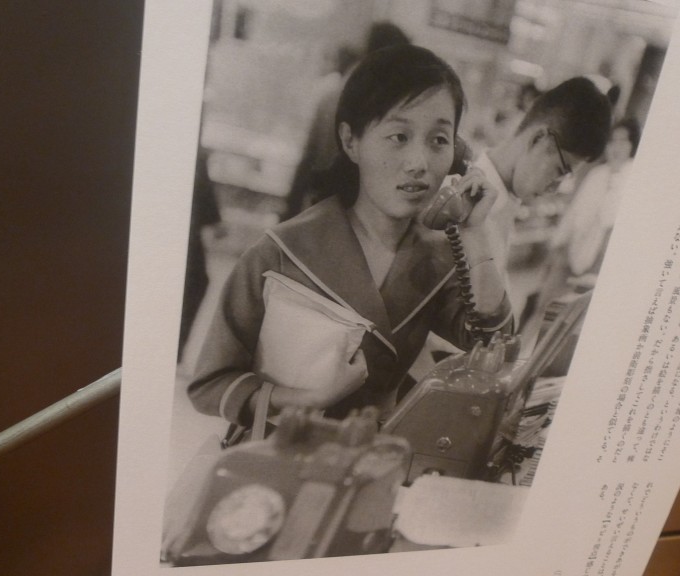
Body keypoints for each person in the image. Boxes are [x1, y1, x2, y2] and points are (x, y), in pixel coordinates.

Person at [186, 45, 513, 427]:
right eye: (399, 136)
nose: (419, 163)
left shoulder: (438, 261)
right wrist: (310, 399)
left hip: (368, 454)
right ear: (350, 141)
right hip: (277, 450)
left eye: (439, 140)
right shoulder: (281, 251)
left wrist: (475, 232)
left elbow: (494, 349)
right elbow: (210, 384)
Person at [471, 77, 614, 292]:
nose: (554, 188)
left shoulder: (506, 202)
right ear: (538, 139)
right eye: (559, 171)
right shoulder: (464, 200)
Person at [282, 22, 411, 221]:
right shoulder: (377, 105)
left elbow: (307, 161)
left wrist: (289, 213)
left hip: (317, 208)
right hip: (351, 215)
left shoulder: (331, 95)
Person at [534, 117, 641, 312]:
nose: (616, 147)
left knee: (575, 314)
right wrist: (557, 246)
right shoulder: (597, 174)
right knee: (546, 306)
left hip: (600, 261)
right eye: (612, 141)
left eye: (622, 141)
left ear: (632, 145)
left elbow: (611, 221)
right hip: (570, 252)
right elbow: (574, 213)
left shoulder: (634, 177)